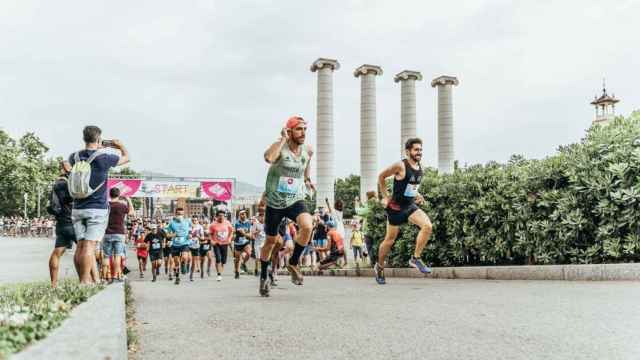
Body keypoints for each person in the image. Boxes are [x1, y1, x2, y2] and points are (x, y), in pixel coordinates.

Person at [259, 115, 315, 297]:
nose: (303, 133)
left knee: (307, 226)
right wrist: (282, 139)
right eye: (299, 129)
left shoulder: (308, 150)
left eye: (305, 129)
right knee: (270, 242)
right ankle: (263, 276)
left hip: (294, 198)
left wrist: (307, 180)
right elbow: (269, 158)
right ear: (289, 131)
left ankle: (293, 262)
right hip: (275, 201)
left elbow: (306, 165)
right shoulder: (280, 148)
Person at [66, 126, 129, 284]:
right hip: (96, 208)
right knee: (89, 246)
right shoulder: (104, 157)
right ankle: (85, 283)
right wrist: (120, 145)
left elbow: (69, 166)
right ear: (99, 139)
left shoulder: (74, 156)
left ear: (84, 138)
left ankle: (82, 280)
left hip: (78, 207)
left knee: (80, 245)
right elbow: (127, 158)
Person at [375, 138, 433, 285]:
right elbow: (381, 176)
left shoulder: (420, 168)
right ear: (408, 151)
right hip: (395, 208)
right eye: (416, 150)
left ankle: (416, 258)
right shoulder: (400, 165)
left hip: (409, 206)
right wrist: (385, 197)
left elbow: (411, 186)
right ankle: (380, 267)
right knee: (389, 240)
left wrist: (418, 195)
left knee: (427, 226)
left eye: (420, 149)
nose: (419, 152)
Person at [48, 161, 76, 288]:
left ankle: (53, 285)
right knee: (87, 250)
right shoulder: (68, 184)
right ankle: (90, 280)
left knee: (57, 253)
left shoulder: (55, 185)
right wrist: (70, 171)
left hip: (61, 222)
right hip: (73, 222)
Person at [102, 187, 133, 283]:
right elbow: (131, 213)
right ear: (119, 195)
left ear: (110, 195)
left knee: (106, 256)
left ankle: (106, 277)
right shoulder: (122, 206)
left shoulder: (105, 206)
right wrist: (129, 201)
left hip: (107, 233)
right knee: (117, 255)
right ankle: (115, 276)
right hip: (119, 233)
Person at [165, 208, 192, 285]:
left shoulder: (187, 221)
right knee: (176, 262)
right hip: (175, 244)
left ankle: (184, 264)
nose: (180, 215)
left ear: (183, 214)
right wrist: (173, 235)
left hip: (184, 243)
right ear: (175, 214)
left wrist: (190, 234)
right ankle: (177, 277)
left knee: (184, 257)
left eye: (181, 214)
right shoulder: (172, 223)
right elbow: (167, 234)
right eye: (178, 214)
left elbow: (191, 228)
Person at [209, 209, 233, 281]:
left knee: (223, 261)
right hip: (217, 244)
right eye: (219, 216)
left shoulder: (227, 223)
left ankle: (220, 272)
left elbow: (231, 232)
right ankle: (219, 274)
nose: (221, 217)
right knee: (218, 258)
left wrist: (229, 238)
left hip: (225, 243)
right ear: (217, 216)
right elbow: (210, 234)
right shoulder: (213, 224)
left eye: (222, 215)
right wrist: (211, 240)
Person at [355, 191, 377, 266]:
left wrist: (356, 203)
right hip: (377, 230)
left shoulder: (368, 208)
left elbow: (358, 211)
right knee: (376, 246)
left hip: (368, 231)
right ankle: (378, 261)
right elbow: (365, 207)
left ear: (368, 197)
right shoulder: (376, 205)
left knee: (370, 247)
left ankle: (373, 263)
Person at [233, 210, 252, 279]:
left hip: (245, 241)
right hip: (238, 242)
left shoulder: (248, 223)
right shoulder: (236, 223)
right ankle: (237, 272)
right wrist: (235, 233)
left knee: (249, 253)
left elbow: (250, 233)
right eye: (241, 214)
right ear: (239, 215)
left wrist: (245, 234)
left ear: (246, 215)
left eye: (244, 214)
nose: (243, 215)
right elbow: (233, 232)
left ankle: (243, 263)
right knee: (237, 259)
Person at [251, 212, 267, 277]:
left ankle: (263, 270)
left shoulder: (266, 224)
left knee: (264, 258)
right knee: (258, 257)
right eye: (260, 216)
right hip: (257, 243)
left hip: (264, 242)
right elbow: (252, 233)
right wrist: (257, 231)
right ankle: (256, 270)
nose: (262, 218)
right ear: (258, 217)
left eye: (263, 216)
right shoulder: (256, 224)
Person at [189, 217, 204, 281]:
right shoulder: (188, 227)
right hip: (189, 246)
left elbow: (202, 237)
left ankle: (192, 275)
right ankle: (186, 267)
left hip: (196, 246)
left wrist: (199, 237)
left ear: (197, 221)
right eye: (193, 220)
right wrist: (188, 236)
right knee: (189, 259)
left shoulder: (200, 227)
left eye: (195, 220)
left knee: (194, 262)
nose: (194, 221)